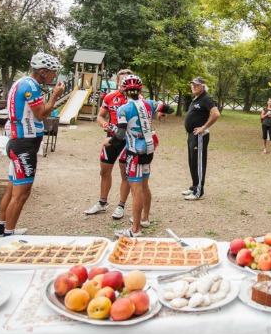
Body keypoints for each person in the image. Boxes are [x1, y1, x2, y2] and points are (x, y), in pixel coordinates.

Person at [0, 52, 65, 237]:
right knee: (22, 193)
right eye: (52, 73)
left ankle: (2, 227)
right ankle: (8, 235)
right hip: (24, 144)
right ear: (43, 72)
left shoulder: (21, 82)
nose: (54, 76)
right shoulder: (31, 86)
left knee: (12, 189)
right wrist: (55, 95)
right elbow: (41, 114)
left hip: (19, 141)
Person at [109, 75, 174, 237]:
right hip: (149, 149)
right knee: (145, 185)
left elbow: (121, 133)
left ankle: (135, 230)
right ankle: (144, 218)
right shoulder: (149, 103)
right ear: (140, 89)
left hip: (134, 152)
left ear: (124, 90)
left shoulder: (123, 109)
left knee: (136, 189)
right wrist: (162, 113)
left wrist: (109, 142)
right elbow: (169, 109)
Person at [84, 69, 134, 220]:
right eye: (122, 80)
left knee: (124, 173)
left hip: (128, 141)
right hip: (111, 139)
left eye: (127, 80)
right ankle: (102, 202)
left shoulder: (136, 99)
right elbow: (100, 116)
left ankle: (121, 205)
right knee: (104, 171)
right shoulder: (110, 97)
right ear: (118, 81)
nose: (124, 83)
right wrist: (107, 126)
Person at [181, 77, 220, 201]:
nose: (194, 87)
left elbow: (216, 113)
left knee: (198, 163)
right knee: (192, 161)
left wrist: (203, 127)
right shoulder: (196, 99)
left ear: (203, 87)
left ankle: (198, 191)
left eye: (197, 85)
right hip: (192, 135)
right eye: (193, 85)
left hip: (199, 136)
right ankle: (194, 187)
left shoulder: (206, 99)